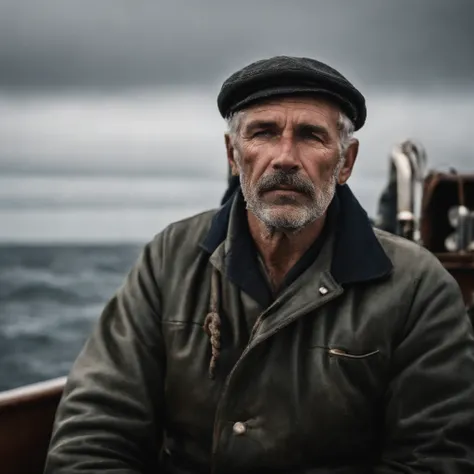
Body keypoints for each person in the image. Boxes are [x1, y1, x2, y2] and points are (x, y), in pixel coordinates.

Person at [44, 56, 474, 474]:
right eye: (264, 133)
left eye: (310, 135)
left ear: (345, 163)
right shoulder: (169, 258)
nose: (285, 157)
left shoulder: (418, 286)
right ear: (233, 156)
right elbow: (95, 431)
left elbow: (434, 458)